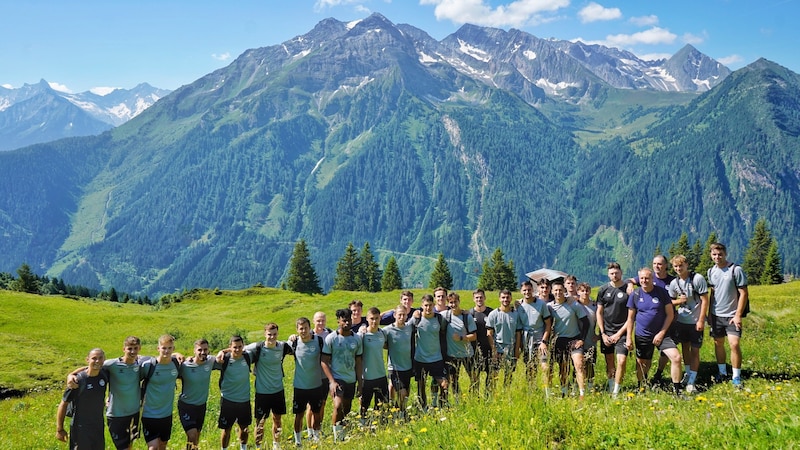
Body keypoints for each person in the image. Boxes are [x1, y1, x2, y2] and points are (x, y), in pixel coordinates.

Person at [625, 268, 684, 396]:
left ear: (652, 279)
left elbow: (670, 315)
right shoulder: (635, 294)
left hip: (662, 334)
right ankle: (641, 386)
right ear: (639, 280)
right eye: (642, 278)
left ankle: (677, 390)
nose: (644, 281)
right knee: (642, 363)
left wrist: (661, 333)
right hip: (642, 334)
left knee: (676, 357)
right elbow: (630, 318)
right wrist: (628, 338)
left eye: (647, 278)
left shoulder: (662, 292)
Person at [707, 242, 749, 388]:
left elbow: (744, 293)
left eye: (720, 254)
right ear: (711, 255)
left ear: (725, 254)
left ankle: (736, 377)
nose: (717, 257)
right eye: (714, 254)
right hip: (716, 314)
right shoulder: (711, 271)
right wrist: (709, 314)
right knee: (718, 344)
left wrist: (738, 315)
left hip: (732, 315)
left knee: (734, 344)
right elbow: (713, 293)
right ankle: (722, 372)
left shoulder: (735, 270)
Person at [667, 254, 709, 393]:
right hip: (681, 320)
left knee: (695, 350)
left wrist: (702, 320)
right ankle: (687, 373)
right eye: (676, 266)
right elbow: (670, 302)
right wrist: (679, 301)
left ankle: (692, 380)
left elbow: (705, 300)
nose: (679, 268)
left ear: (687, 265)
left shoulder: (697, 279)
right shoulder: (674, 283)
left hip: (695, 320)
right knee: (685, 347)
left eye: (681, 266)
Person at [246, 323, 292, 450]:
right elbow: (238, 349)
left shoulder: (282, 346)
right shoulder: (257, 347)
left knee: (277, 420)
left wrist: (293, 337)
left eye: (274, 334)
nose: (272, 337)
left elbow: (295, 346)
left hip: (278, 390)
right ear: (264, 334)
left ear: (278, 334)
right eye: (269, 334)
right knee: (260, 423)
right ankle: (258, 446)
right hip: (262, 392)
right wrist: (223, 351)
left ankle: (276, 446)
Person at [321, 308, 363, 441]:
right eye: (344, 320)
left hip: (351, 379)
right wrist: (332, 381)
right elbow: (324, 361)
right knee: (338, 406)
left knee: (346, 409)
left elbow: (358, 361)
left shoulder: (356, 339)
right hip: (337, 379)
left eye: (349, 320)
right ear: (338, 321)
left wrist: (360, 382)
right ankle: (337, 439)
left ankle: (343, 435)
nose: (347, 323)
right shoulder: (331, 338)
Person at [56, 348, 108, 450]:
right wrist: (59, 429)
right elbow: (63, 404)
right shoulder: (78, 381)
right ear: (87, 360)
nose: (97, 361)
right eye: (94, 358)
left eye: (100, 358)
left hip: (98, 425)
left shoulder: (104, 375)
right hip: (80, 427)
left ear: (104, 359)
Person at [548, 281, 588, 399]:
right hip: (559, 340)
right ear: (552, 292)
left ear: (564, 291)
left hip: (574, 339)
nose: (558, 292)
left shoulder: (573, 305)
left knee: (579, 365)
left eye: (560, 290)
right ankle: (564, 391)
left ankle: (582, 394)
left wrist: (582, 339)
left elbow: (585, 322)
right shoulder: (549, 307)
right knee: (563, 368)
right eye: (555, 290)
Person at [140, 335, 181, 450]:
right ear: (158, 349)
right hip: (149, 414)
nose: (166, 351)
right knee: (153, 447)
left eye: (169, 348)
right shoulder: (148, 366)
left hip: (166, 415)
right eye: (163, 348)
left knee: (162, 446)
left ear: (173, 349)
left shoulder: (176, 364)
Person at [596, 262, 630, 397]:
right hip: (607, 331)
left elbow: (631, 315)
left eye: (616, 273)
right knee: (609, 360)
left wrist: (619, 334)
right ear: (608, 274)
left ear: (621, 273)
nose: (614, 275)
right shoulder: (603, 290)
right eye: (611, 273)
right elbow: (599, 312)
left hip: (622, 331)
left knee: (621, 361)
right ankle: (611, 384)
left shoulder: (628, 289)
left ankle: (616, 390)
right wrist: (603, 333)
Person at [410, 294, 449, 409]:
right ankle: (423, 407)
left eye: (430, 305)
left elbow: (444, 331)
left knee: (444, 384)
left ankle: (442, 406)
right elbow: (406, 328)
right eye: (426, 305)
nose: (428, 308)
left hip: (436, 358)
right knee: (421, 385)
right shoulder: (416, 319)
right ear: (421, 306)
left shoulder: (439, 319)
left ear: (433, 305)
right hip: (420, 359)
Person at [290, 317, 325, 445]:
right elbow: (275, 346)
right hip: (299, 386)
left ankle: (316, 439)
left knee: (317, 414)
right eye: (301, 329)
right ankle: (298, 441)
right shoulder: (293, 343)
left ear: (310, 328)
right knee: (298, 415)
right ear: (297, 330)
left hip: (316, 385)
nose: (303, 331)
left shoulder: (319, 341)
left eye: (305, 328)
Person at [215, 335, 253, 450]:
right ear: (230, 347)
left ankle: (243, 448)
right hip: (228, 400)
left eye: (240, 346)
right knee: (226, 429)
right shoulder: (224, 359)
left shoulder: (248, 356)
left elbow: (263, 344)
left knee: (244, 428)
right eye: (234, 347)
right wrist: (221, 351)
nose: (237, 350)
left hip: (244, 399)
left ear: (243, 346)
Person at [178, 338, 217, 450]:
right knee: (192, 435)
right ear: (194, 351)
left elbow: (227, 354)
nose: (203, 352)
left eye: (205, 350)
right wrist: (176, 353)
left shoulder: (210, 361)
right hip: (186, 406)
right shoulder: (185, 366)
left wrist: (224, 351)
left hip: (201, 406)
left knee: (196, 439)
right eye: (200, 350)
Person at [516, 280, 552, 391]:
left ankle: (548, 392)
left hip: (540, 340)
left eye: (529, 290)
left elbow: (548, 324)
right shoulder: (519, 306)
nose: (527, 292)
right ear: (521, 291)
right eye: (525, 290)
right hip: (526, 340)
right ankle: (532, 390)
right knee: (530, 367)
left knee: (545, 366)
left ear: (533, 290)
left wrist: (544, 341)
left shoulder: (541, 304)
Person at [441, 292, 477, 400]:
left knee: (474, 377)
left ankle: (474, 397)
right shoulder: (445, 315)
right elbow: (431, 313)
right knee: (453, 380)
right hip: (452, 355)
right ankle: (458, 399)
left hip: (467, 353)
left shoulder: (466, 317)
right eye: (451, 303)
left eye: (455, 302)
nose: (453, 305)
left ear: (459, 302)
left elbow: (474, 336)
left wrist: (461, 338)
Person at [359, 307, 389, 425]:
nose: (374, 321)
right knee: (364, 405)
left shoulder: (382, 333)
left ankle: (379, 425)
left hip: (381, 374)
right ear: (367, 319)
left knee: (382, 404)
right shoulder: (362, 335)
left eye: (376, 318)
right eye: (372, 318)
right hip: (367, 377)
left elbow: (387, 345)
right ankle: (363, 425)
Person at [486, 289, 523, 386]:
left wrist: (517, 350)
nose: (505, 299)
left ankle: (506, 394)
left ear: (511, 298)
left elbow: (518, 333)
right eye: (503, 297)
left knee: (509, 375)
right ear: (499, 299)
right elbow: (489, 333)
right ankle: (491, 395)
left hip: (511, 349)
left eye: (507, 297)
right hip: (498, 350)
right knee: (494, 375)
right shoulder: (493, 314)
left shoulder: (515, 314)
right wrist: (494, 351)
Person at [383, 304, 415, 416]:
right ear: (394, 315)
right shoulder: (387, 330)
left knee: (406, 395)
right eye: (399, 315)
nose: (402, 317)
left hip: (408, 366)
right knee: (402, 392)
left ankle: (400, 413)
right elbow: (379, 339)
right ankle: (396, 411)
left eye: (404, 315)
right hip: (394, 368)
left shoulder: (409, 327)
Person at [307, 311, 332, 439]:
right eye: (318, 321)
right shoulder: (309, 334)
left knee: (322, 403)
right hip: (312, 374)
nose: (321, 323)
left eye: (323, 320)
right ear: (313, 321)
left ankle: (318, 428)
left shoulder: (329, 333)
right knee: (311, 406)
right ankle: (310, 431)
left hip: (325, 374)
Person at [468, 289, 494, 394]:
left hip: (488, 348)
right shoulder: (469, 314)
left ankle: (489, 396)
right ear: (473, 299)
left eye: (481, 297)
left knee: (490, 374)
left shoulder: (491, 312)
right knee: (475, 376)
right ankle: (475, 397)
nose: (479, 299)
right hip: (474, 350)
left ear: (485, 298)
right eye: (477, 297)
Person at [576, 282, 599, 392]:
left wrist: (599, 336)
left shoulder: (595, 306)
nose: (585, 293)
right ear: (578, 292)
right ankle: (577, 386)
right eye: (582, 290)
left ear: (590, 291)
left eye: (587, 290)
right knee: (578, 364)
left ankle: (590, 386)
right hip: (576, 340)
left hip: (591, 339)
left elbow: (601, 321)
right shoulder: (575, 305)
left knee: (590, 364)